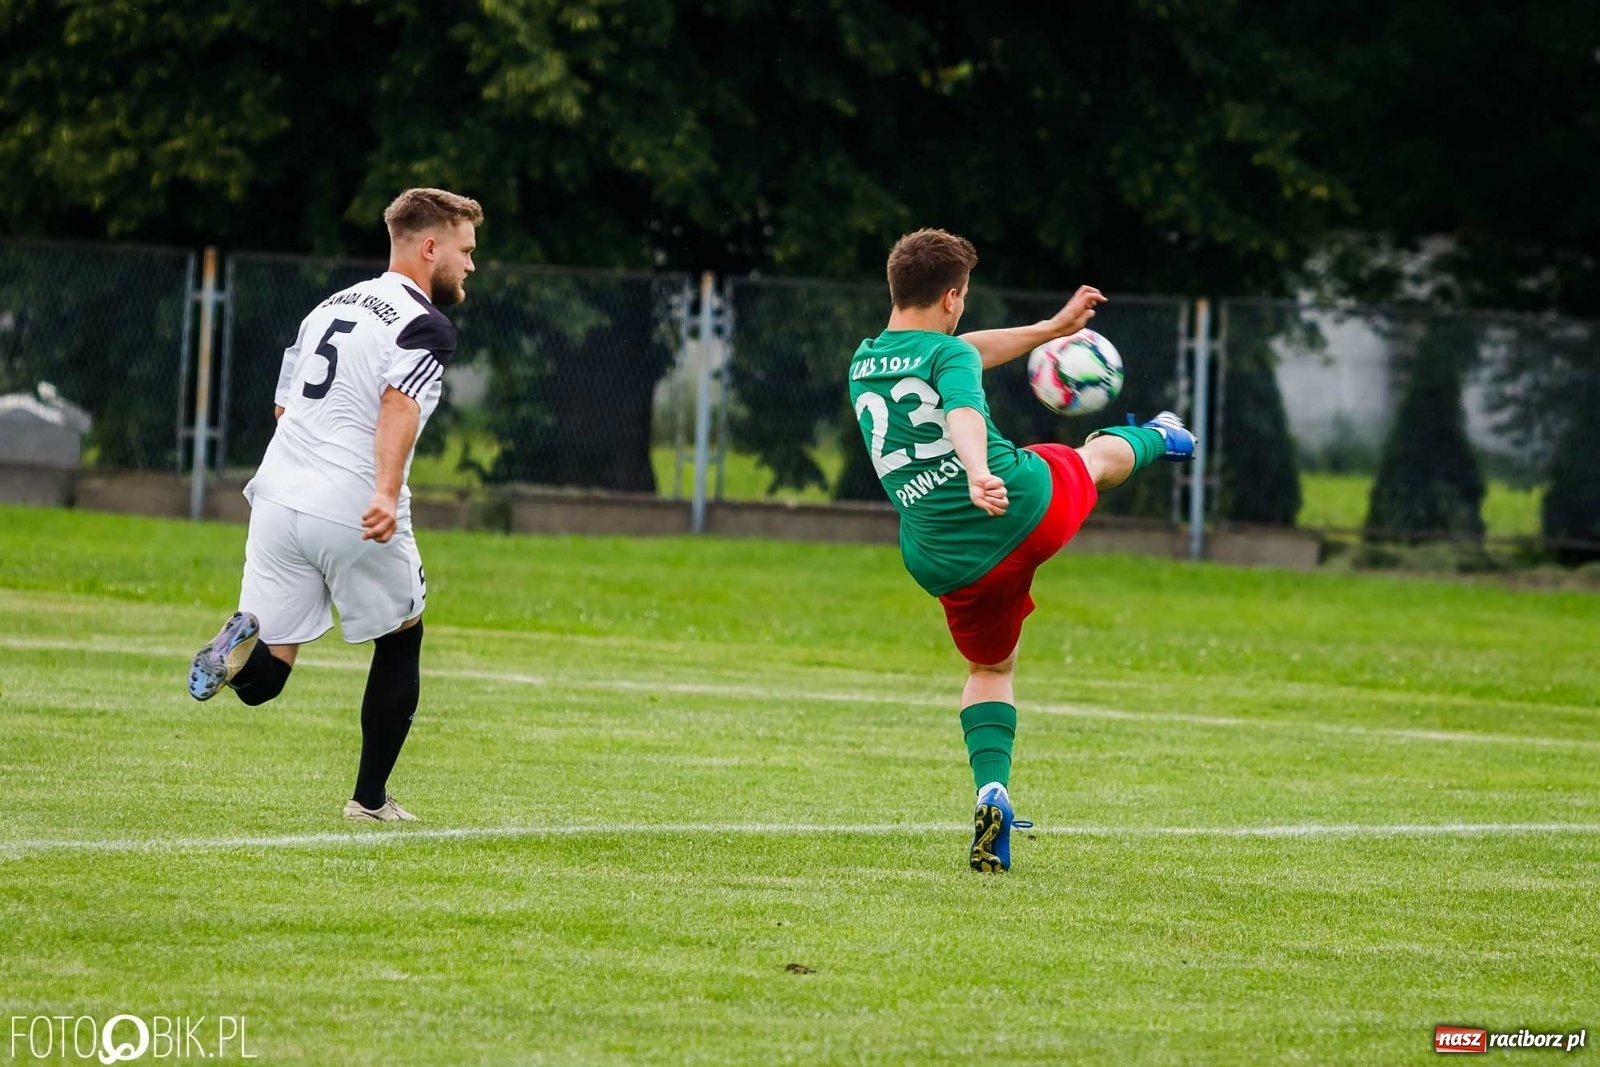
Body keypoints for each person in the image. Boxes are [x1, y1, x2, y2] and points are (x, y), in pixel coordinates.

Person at [848, 229, 1195, 872]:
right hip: (1015, 508)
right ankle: (1163, 437)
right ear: (953, 297)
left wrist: (1047, 328)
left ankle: (991, 790)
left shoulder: (866, 360)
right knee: (1090, 459)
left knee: (991, 671)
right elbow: (963, 412)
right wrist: (979, 472)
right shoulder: (947, 361)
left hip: (944, 558)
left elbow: (961, 355)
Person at [186, 187, 482, 822]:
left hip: (276, 497)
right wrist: (381, 490)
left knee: (268, 676)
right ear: (431, 247)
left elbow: (283, 406)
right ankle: (370, 802)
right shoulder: (426, 324)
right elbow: (399, 405)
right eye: (465, 250)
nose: (471, 264)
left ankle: (231, 659)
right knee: (402, 637)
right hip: (352, 505)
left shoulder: (328, 308)